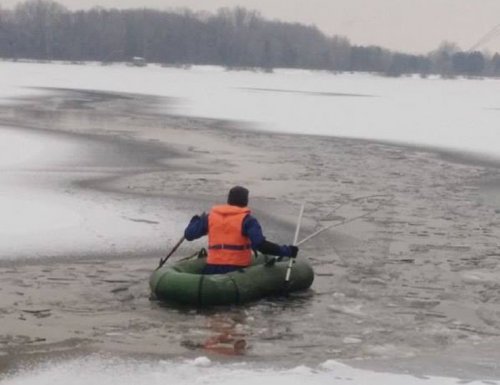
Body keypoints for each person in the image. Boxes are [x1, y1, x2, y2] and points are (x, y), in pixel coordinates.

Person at [184, 186, 299, 274]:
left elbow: (189, 235)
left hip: (212, 267)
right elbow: (261, 245)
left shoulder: (210, 218)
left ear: (229, 200)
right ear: (245, 201)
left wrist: (196, 220)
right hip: (236, 270)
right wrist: (287, 251)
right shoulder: (247, 220)